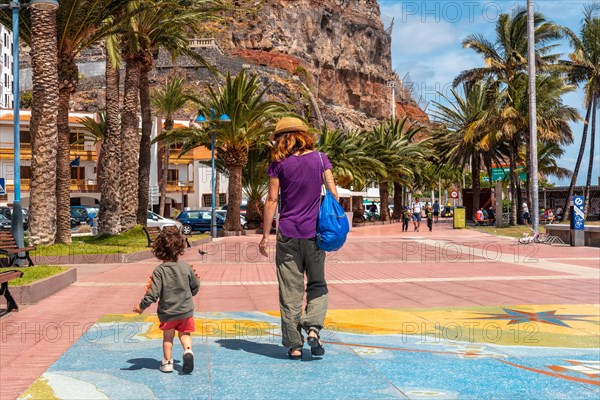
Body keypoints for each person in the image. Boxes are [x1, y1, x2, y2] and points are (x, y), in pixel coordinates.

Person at [259, 116, 338, 360]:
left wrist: (264, 235)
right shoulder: (320, 159)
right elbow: (333, 192)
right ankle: (313, 328)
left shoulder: (278, 163)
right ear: (304, 135)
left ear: (282, 138)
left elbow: (271, 200)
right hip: (315, 233)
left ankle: (294, 346)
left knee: (290, 291)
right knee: (317, 284)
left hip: (288, 233)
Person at [133, 227, 199, 374]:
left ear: (159, 251)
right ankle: (188, 351)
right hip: (186, 311)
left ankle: (168, 362)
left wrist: (141, 307)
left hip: (168, 313)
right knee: (185, 334)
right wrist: (190, 292)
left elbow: (153, 294)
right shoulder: (186, 267)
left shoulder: (159, 271)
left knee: (168, 338)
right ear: (180, 248)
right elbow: (195, 286)